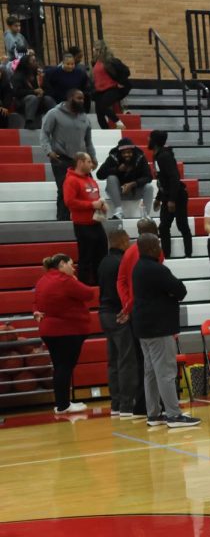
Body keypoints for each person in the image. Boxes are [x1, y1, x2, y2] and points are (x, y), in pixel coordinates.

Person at [132, 233, 200, 428]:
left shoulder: (139, 267)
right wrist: (170, 294)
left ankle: (153, 414)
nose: (161, 247)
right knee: (166, 371)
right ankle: (173, 414)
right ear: (153, 248)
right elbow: (180, 290)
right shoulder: (157, 269)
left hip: (144, 327)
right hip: (158, 327)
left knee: (151, 372)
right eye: (159, 244)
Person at [34, 252, 94, 415]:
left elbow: (36, 303)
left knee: (59, 367)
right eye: (71, 264)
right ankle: (63, 405)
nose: (73, 269)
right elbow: (89, 294)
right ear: (61, 264)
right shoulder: (65, 280)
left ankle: (61, 403)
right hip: (67, 330)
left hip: (49, 330)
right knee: (65, 367)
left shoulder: (43, 279)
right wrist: (75, 280)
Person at [97, 228, 141, 418]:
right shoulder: (121, 262)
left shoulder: (104, 261)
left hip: (104, 313)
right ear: (123, 242)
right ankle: (126, 405)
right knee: (126, 361)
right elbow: (124, 290)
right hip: (118, 313)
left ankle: (115, 403)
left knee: (113, 360)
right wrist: (127, 311)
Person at [39, 88, 94, 221]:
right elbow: (44, 133)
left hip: (81, 160)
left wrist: (93, 158)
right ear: (70, 98)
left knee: (89, 188)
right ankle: (62, 221)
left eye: (83, 99)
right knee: (64, 190)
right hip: (60, 158)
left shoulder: (84, 117)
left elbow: (88, 141)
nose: (82, 101)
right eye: (79, 98)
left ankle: (88, 218)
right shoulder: (54, 113)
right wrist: (48, 151)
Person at [63, 152, 107, 286]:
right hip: (83, 225)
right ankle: (85, 287)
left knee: (102, 256)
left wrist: (102, 205)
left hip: (96, 223)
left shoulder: (90, 179)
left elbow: (95, 198)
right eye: (88, 162)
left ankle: (100, 286)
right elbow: (69, 202)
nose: (91, 164)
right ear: (80, 162)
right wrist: (91, 205)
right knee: (86, 258)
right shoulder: (71, 180)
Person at [148, 130, 191, 258]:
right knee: (164, 227)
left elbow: (174, 178)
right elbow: (163, 181)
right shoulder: (157, 155)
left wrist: (171, 200)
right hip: (167, 195)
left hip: (177, 195)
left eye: (149, 138)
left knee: (182, 225)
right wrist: (158, 198)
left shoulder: (164, 156)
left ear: (154, 141)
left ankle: (188, 254)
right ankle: (166, 255)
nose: (147, 140)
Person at [96, 137, 153, 220]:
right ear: (120, 153)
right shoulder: (113, 157)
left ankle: (146, 216)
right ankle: (119, 212)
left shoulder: (140, 157)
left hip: (135, 191)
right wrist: (117, 170)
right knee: (111, 177)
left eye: (129, 152)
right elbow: (99, 174)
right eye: (124, 153)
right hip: (118, 192)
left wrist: (133, 184)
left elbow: (149, 177)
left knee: (149, 186)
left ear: (133, 152)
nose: (127, 155)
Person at [91, 41, 132, 130]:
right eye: (94, 48)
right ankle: (106, 131)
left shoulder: (111, 61)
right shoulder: (95, 62)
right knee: (99, 114)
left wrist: (121, 82)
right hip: (99, 90)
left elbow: (126, 71)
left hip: (111, 88)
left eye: (97, 49)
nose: (94, 50)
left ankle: (119, 123)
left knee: (103, 106)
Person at [11, 53, 51, 128]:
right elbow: (16, 93)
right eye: (33, 61)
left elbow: (49, 90)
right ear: (27, 64)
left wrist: (43, 91)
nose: (36, 63)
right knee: (32, 98)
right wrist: (34, 92)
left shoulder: (38, 75)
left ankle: (58, 119)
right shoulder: (17, 76)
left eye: (36, 61)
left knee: (48, 99)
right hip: (22, 102)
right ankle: (29, 122)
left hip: (39, 100)